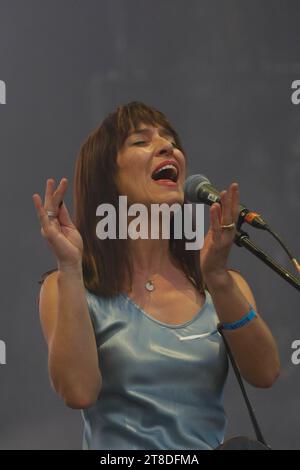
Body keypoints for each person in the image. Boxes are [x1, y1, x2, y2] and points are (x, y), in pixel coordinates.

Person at [32, 101, 280, 450]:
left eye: (170, 140)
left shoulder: (220, 283)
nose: (167, 147)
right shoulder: (68, 285)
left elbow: (266, 374)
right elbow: (78, 392)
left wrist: (218, 279)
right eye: (140, 141)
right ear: (107, 176)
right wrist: (71, 267)